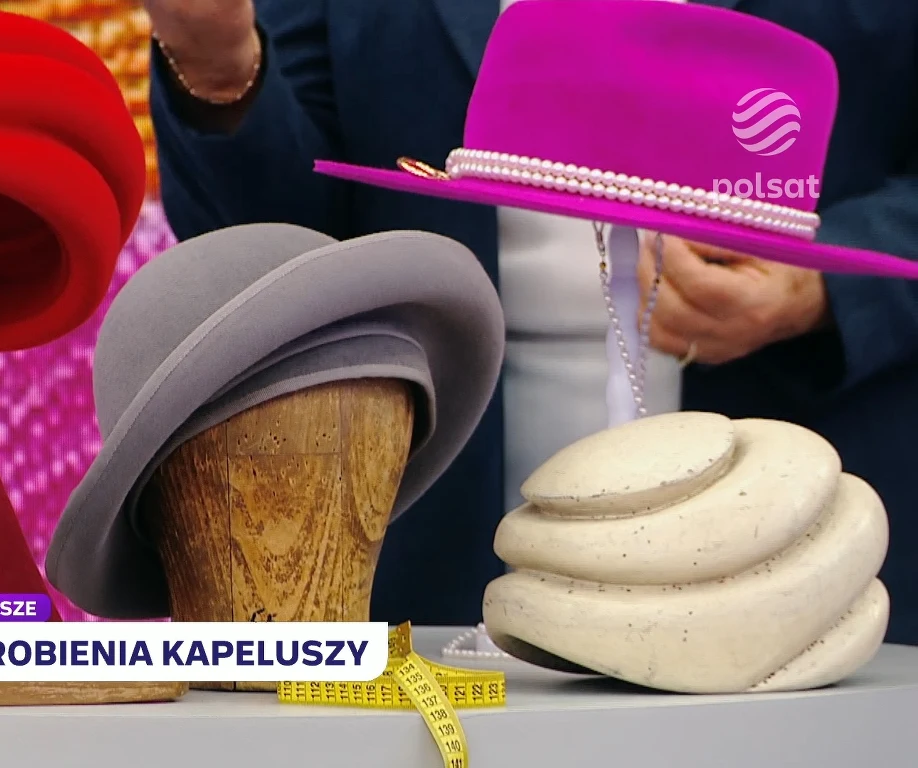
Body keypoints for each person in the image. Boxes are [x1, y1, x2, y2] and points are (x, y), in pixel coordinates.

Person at [141, 0, 918, 645]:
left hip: (826, 531)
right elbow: (276, 238)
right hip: (434, 542)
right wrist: (220, 68)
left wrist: (829, 285)